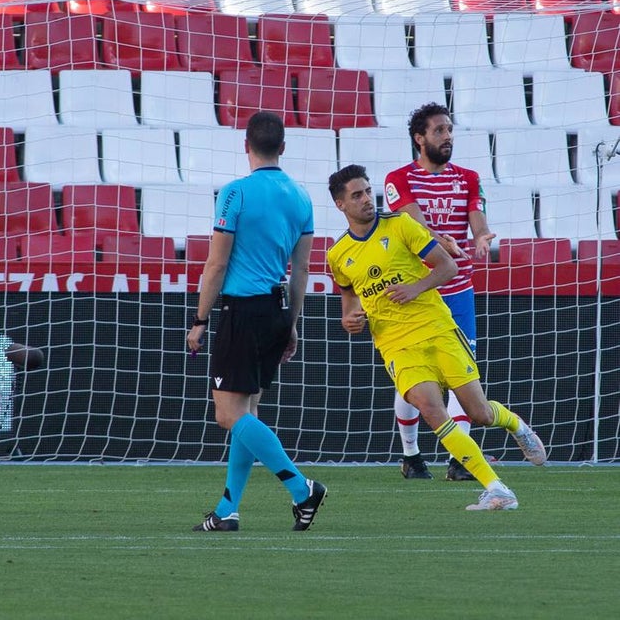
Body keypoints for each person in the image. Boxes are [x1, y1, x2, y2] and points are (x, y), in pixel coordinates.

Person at [326, 165, 546, 511]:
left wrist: (415, 288)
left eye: (368, 191)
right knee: (432, 409)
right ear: (340, 204)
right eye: (357, 195)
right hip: (396, 344)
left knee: (479, 413)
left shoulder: (400, 225)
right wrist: (350, 320)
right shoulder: (338, 255)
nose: (367, 199)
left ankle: (515, 424)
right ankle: (496, 488)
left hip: (437, 328)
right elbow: (349, 301)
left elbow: (448, 267)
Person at [187, 111, 327, 533]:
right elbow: (302, 270)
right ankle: (227, 510)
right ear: (282, 147)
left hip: (242, 312)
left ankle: (301, 488)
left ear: (245, 145)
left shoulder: (235, 193)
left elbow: (217, 263)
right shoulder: (301, 197)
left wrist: (199, 319)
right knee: (247, 412)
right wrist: (292, 323)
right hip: (276, 310)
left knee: (228, 415)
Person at [384, 103, 496, 482]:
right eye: (439, 130)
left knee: (463, 377)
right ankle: (411, 455)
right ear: (420, 138)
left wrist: (481, 237)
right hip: (418, 295)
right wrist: (441, 241)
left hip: (458, 292)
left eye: (449, 129)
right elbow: (415, 227)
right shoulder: (398, 179)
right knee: (414, 379)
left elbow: (477, 219)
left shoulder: (468, 178)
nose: (447, 136)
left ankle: (460, 459)